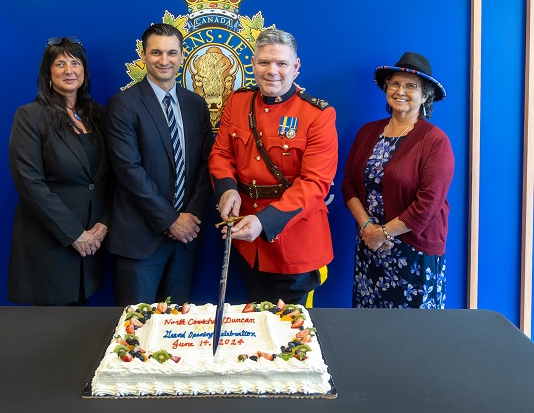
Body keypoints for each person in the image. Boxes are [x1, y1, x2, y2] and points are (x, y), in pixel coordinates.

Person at [209, 28, 338, 306]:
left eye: (281, 63)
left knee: (292, 334)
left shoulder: (318, 114)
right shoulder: (238, 101)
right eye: (265, 62)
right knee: (256, 326)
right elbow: (221, 154)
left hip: (296, 244)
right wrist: (226, 190)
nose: (272, 71)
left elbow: (315, 184)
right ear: (253, 63)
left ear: (296, 67)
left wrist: (264, 222)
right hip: (248, 243)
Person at [105, 23, 213, 305]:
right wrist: (170, 220)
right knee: (134, 331)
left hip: (186, 238)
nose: (164, 60)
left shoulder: (196, 104)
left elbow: (206, 165)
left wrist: (189, 216)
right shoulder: (123, 104)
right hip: (141, 238)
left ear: (181, 56)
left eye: (171, 53)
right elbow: (129, 170)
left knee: (177, 330)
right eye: (156, 52)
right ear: (143, 55)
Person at [341, 51, 454, 308]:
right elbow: (348, 184)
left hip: (413, 251)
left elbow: (429, 204)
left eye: (411, 86)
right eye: (395, 83)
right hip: (370, 246)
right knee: (370, 328)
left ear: (425, 95)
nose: (401, 90)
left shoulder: (435, 140)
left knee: (413, 337)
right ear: (386, 88)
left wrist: (382, 232)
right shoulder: (367, 132)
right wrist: (368, 228)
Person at [8, 36, 113, 305]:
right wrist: (74, 235)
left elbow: (111, 176)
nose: (69, 70)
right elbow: (30, 184)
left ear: (84, 71)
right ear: (48, 72)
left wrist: (104, 221)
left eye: (75, 63)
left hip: (92, 243)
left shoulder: (99, 116)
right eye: (60, 64)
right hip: (52, 244)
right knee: (51, 333)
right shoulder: (30, 116)